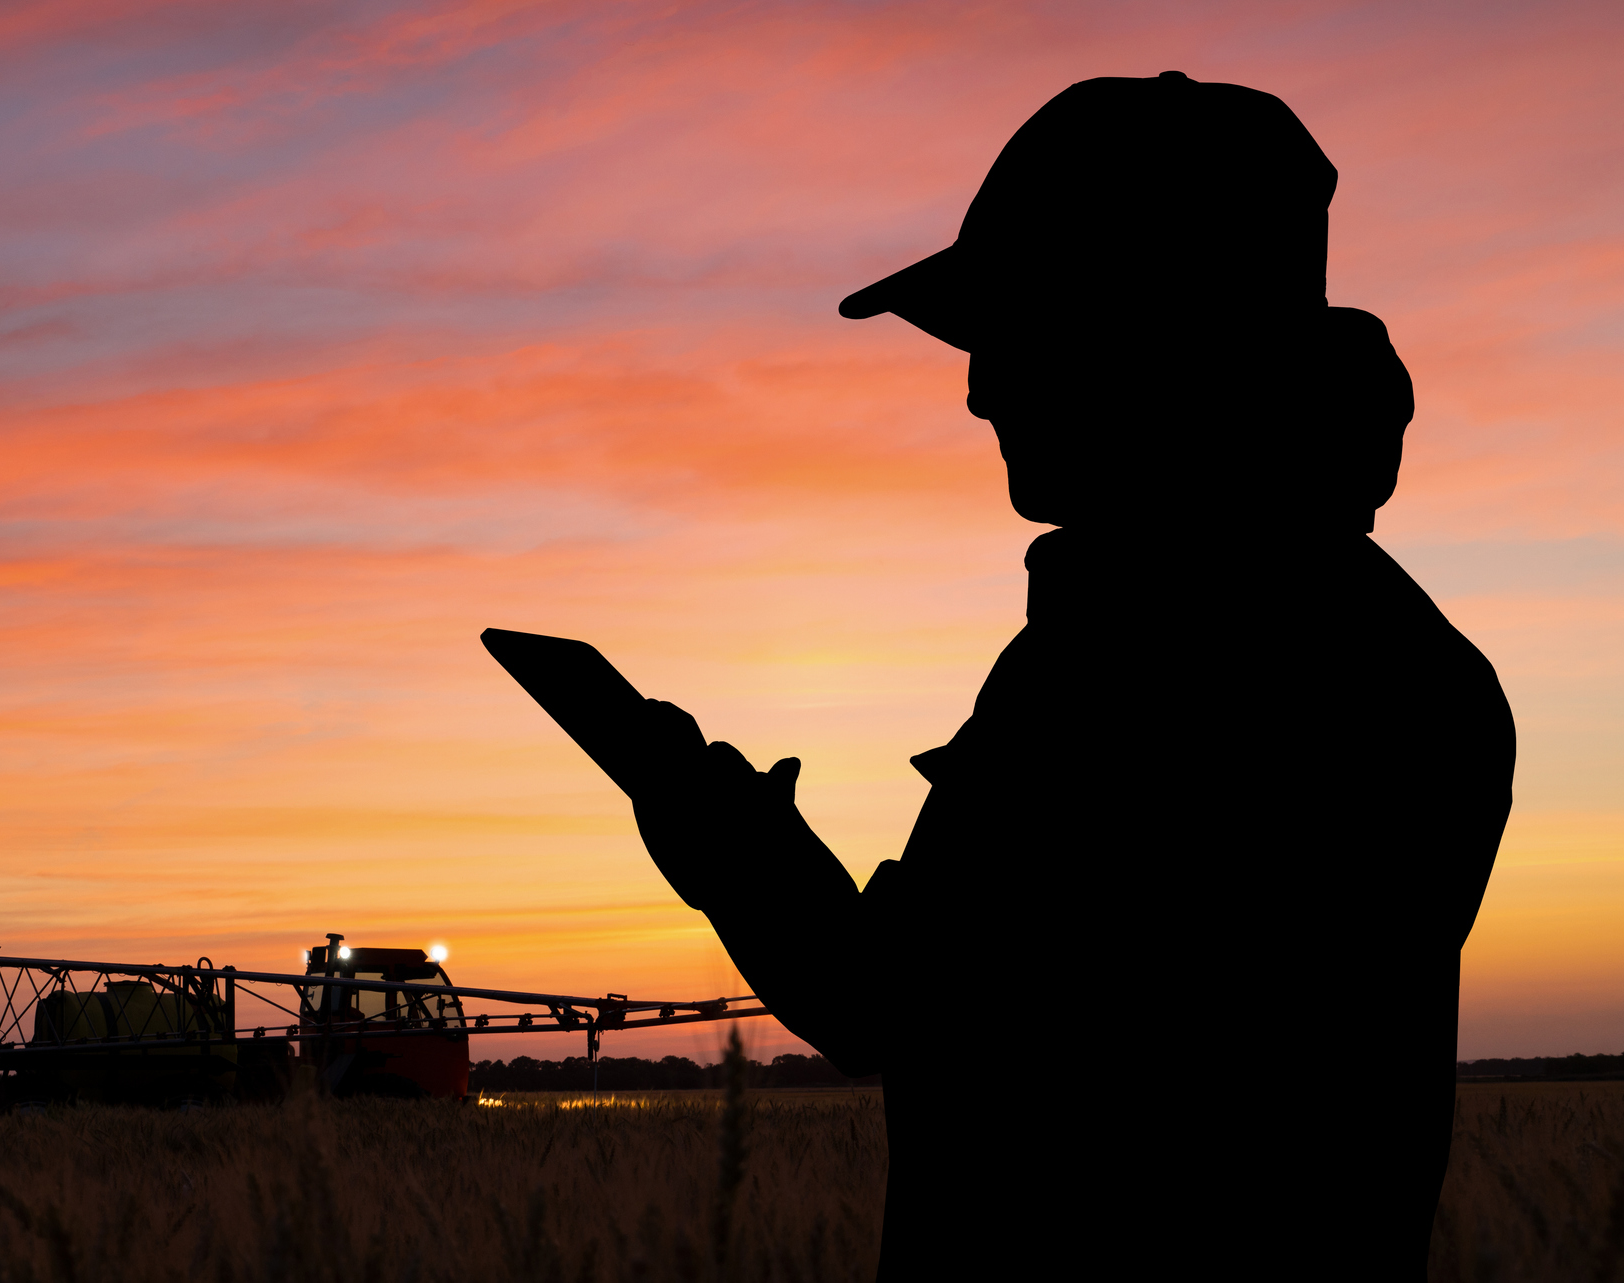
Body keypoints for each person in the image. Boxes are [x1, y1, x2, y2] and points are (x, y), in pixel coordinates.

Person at [629, 72, 1515, 1279]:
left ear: (1152, 337)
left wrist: (723, 843)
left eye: (1018, 330)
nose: (980, 387)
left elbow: (914, 1008)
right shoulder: (1367, 645)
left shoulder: (1160, 660)